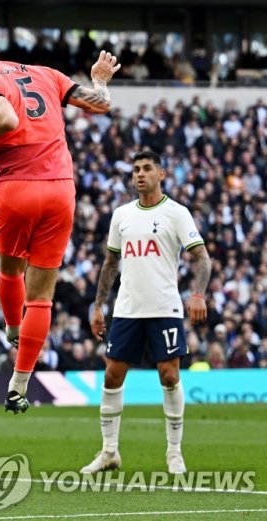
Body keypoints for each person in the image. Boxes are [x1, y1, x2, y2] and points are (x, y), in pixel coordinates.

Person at [0, 38, 121, 413]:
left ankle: (14, 328)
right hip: (60, 189)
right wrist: (99, 79)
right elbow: (101, 103)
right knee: (42, 296)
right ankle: (19, 383)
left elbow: (6, 119)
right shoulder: (46, 74)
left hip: (17, 185)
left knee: (11, 270)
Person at [81, 150, 211, 475]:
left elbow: (202, 257)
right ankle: (109, 451)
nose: (140, 174)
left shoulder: (177, 213)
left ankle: (174, 452)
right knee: (112, 375)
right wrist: (98, 305)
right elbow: (111, 263)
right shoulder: (122, 214)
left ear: (161, 174)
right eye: (136, 169)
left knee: (169, 375)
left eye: (147, 168)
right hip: (127, 309)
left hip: (164, 307)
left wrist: (198, 294)